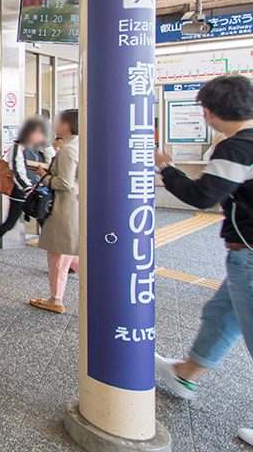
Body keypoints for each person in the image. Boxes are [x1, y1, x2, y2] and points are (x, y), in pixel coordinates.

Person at [153, 76, 253, 446]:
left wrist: (166, 168)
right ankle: (185, 373)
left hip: (250, 254)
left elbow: (203, 196)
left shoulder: (238, 148)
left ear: (209, 113)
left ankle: (186, 372)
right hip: (244, 257)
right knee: (221, 315)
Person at [0, 118, 56, 261]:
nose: (41, 136)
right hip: (22, 192)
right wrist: (27, 189)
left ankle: (60, 257)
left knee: (45, 224)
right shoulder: (18, 148)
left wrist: (46, 145)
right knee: (11, 222)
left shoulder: (40, 148)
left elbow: (53, 162)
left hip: (39, 191)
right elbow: (17, 170)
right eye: (38, 133)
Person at [29, 109, 80, 314]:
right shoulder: (80, 144)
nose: (54, 125)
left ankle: (55, 299)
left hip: (65, 207)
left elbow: (65, 182)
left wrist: (44, 175)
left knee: (58, 256)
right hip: (74, 205)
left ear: (67, 125)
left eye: (58, 122)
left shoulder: (68, 148)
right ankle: (101, 288)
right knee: (70, 254)